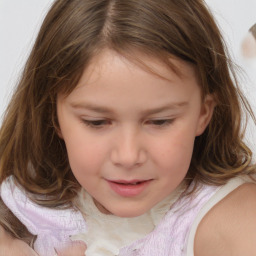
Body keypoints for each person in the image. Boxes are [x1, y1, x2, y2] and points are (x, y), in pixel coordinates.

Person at [0, 0, 256, 255]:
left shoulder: (237, 219)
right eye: (96, 122)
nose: (128, 156)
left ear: (203, 113)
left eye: (159, 121)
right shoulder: (24, 204)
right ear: (52, 115)